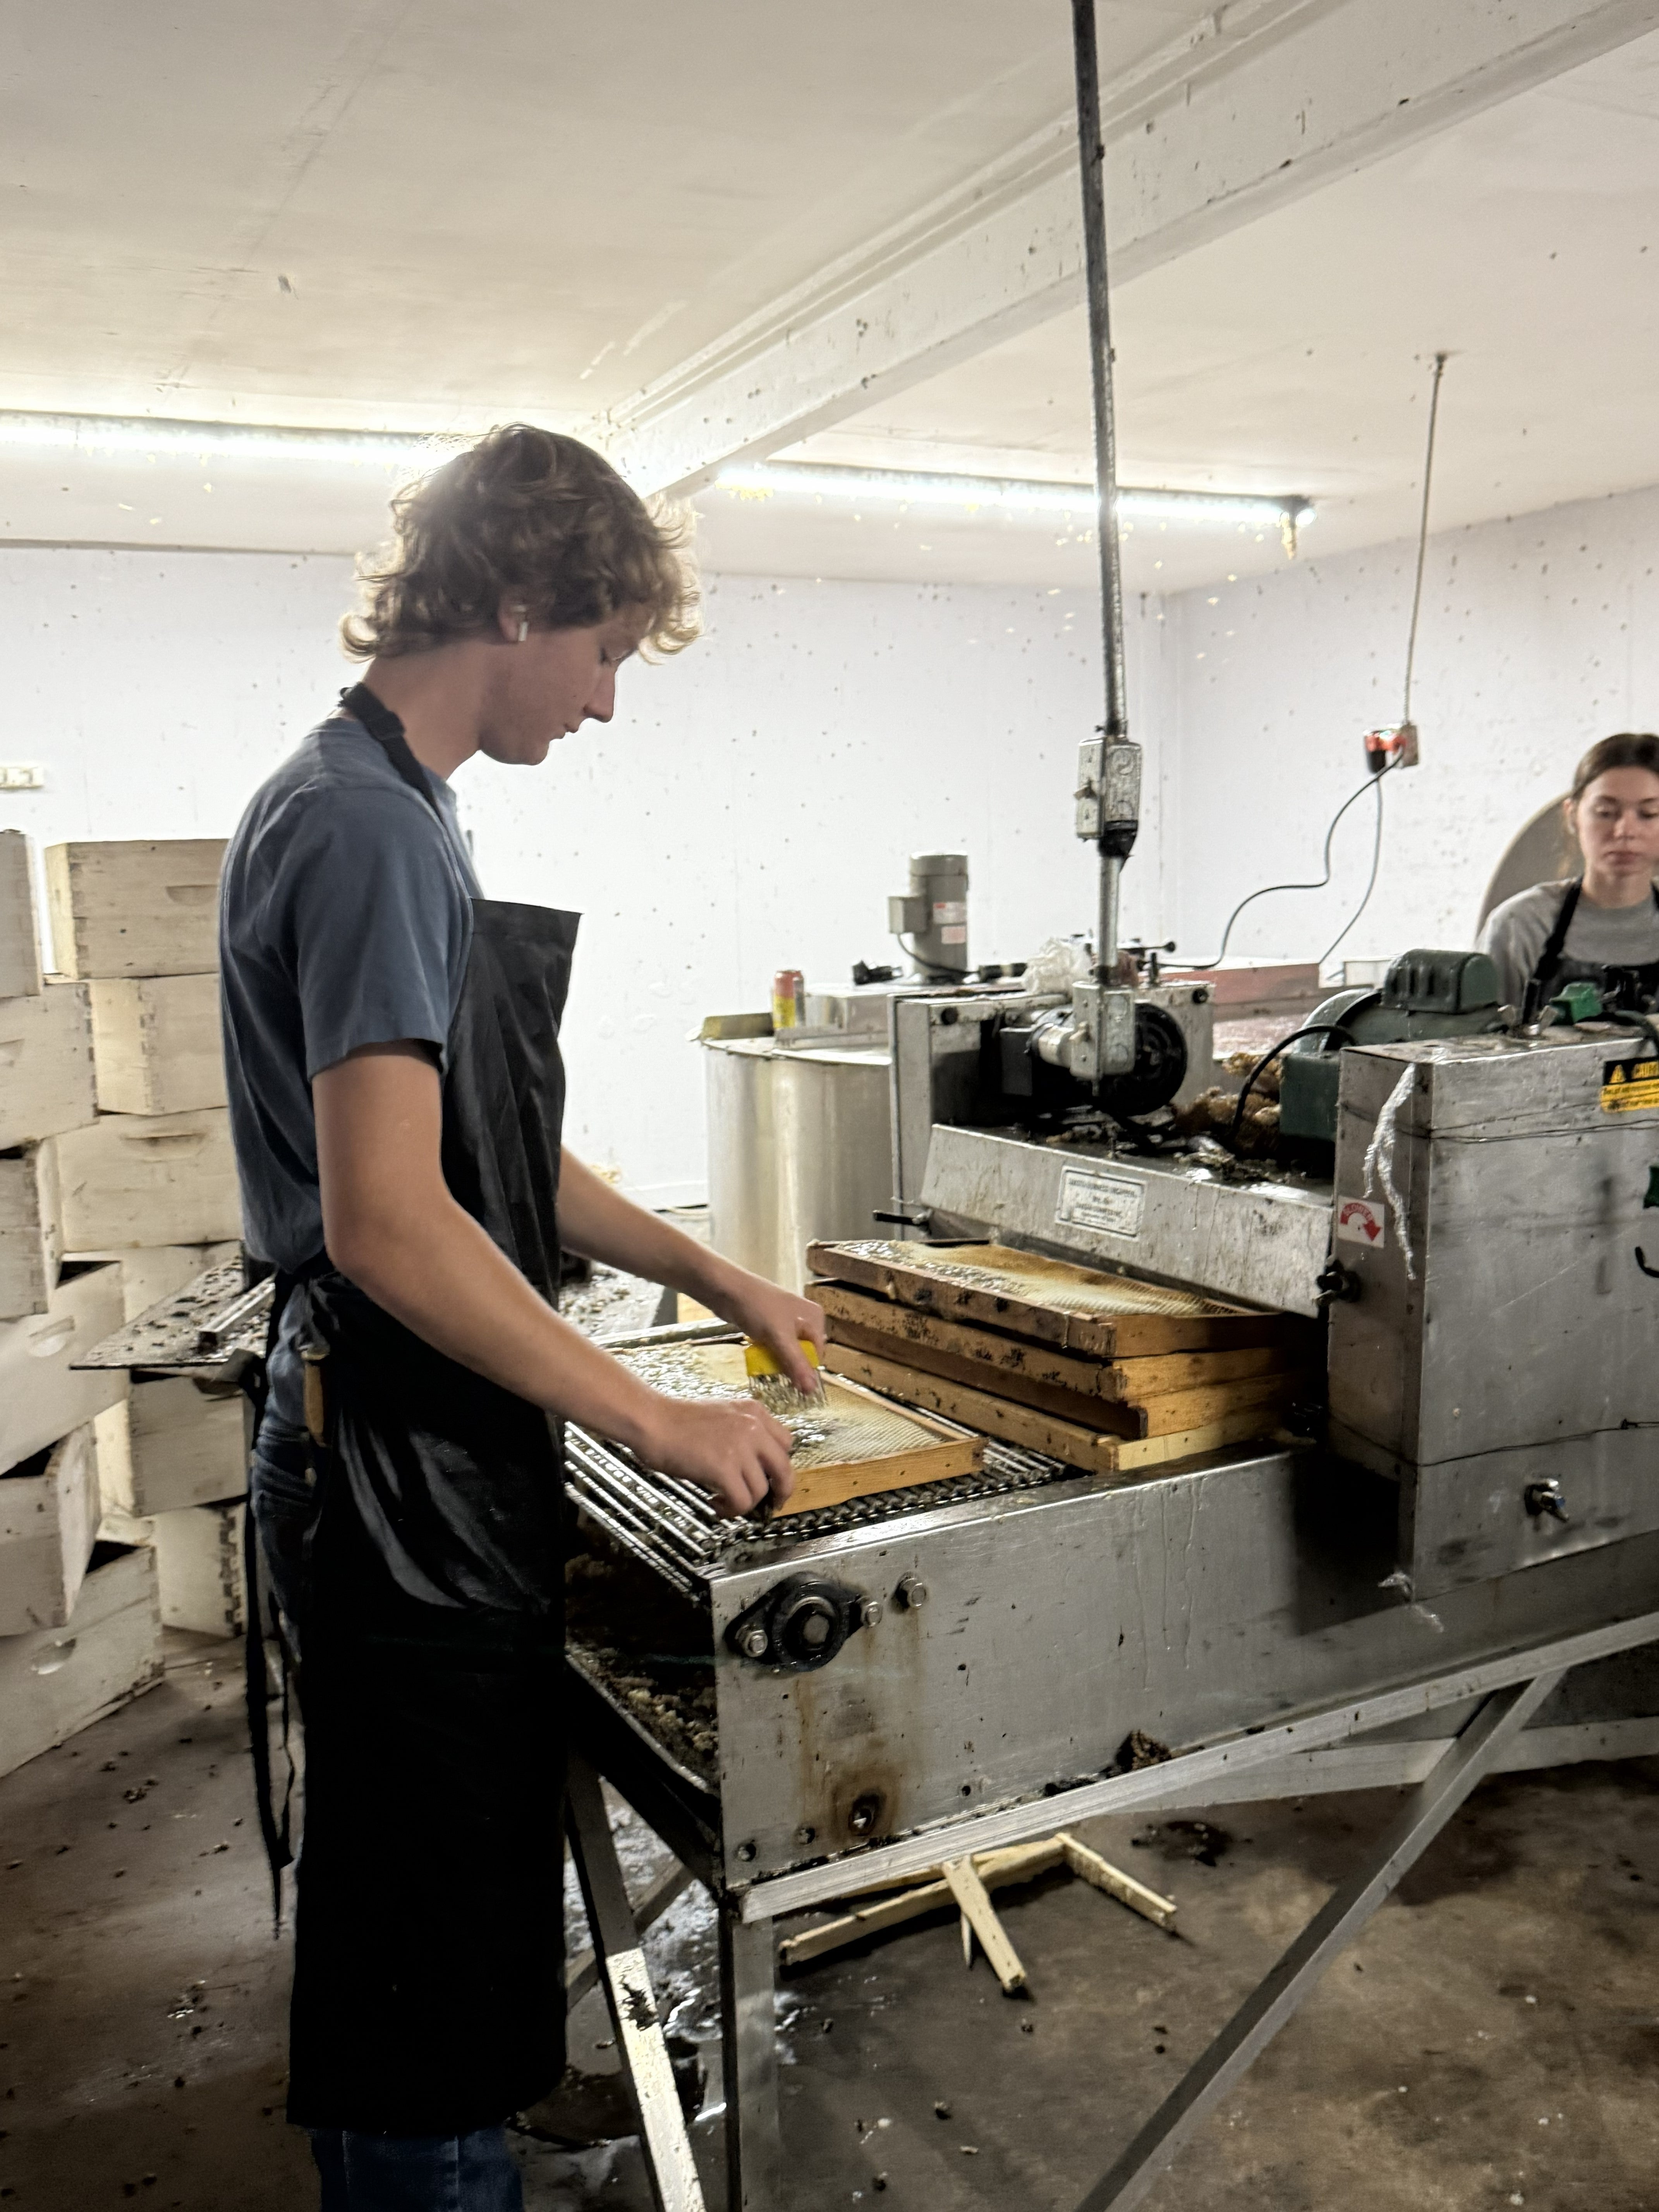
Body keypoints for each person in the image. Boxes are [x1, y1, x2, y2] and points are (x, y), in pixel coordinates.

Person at [218, 424, 826, 2211]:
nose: (610, 700)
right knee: (423, 1944)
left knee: (437, 1907)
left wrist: (719, 1279)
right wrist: (660, 1418)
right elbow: (395, 1222)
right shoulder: (365, 830)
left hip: (395, 1427)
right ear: (513, 603)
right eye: (606, 650)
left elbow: (486, 1152)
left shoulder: (387, 800)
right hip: (389, 1449)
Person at [1482, 731, 1659, 1019]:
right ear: (1573, 815)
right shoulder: (1521, 927)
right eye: (1605, 812)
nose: (1625, 831)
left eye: (1649, 813)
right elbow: (1481, 1040)